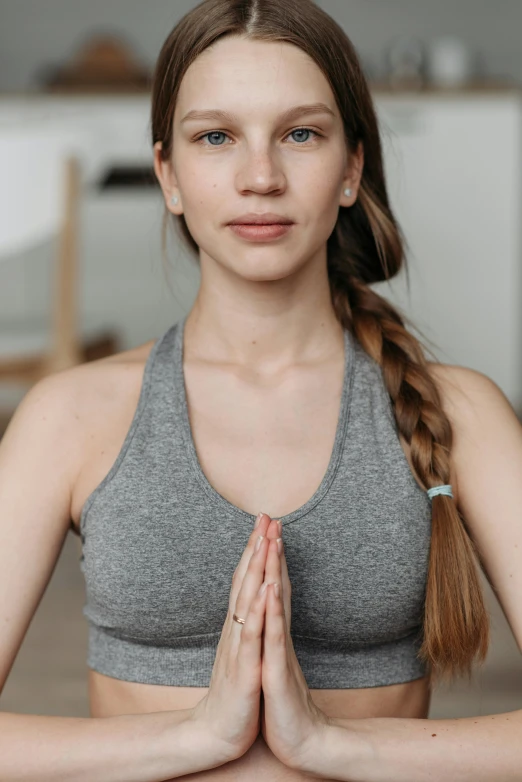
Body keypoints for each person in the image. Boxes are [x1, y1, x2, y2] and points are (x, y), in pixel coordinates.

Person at [1, 0, 521, 779]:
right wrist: (196, 737)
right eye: (216, 137)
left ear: (351, 169)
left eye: (301, 134)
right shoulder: (71, 416)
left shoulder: (462, 414)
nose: (260, 177)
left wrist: (333, 744)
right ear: (168, 177)